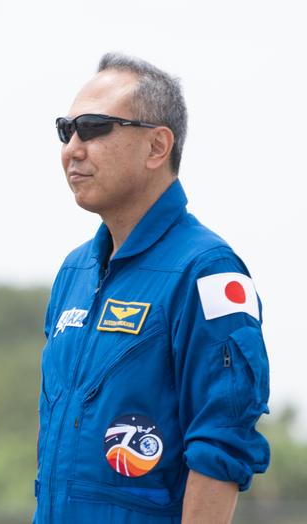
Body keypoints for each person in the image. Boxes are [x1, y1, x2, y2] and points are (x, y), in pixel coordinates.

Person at [36, 53, 270, 523]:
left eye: (94, 127)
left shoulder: (207, 271)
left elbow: (222, 441)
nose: (73, 148)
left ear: (157, 146)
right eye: (67, 130)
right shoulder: (74, 272)